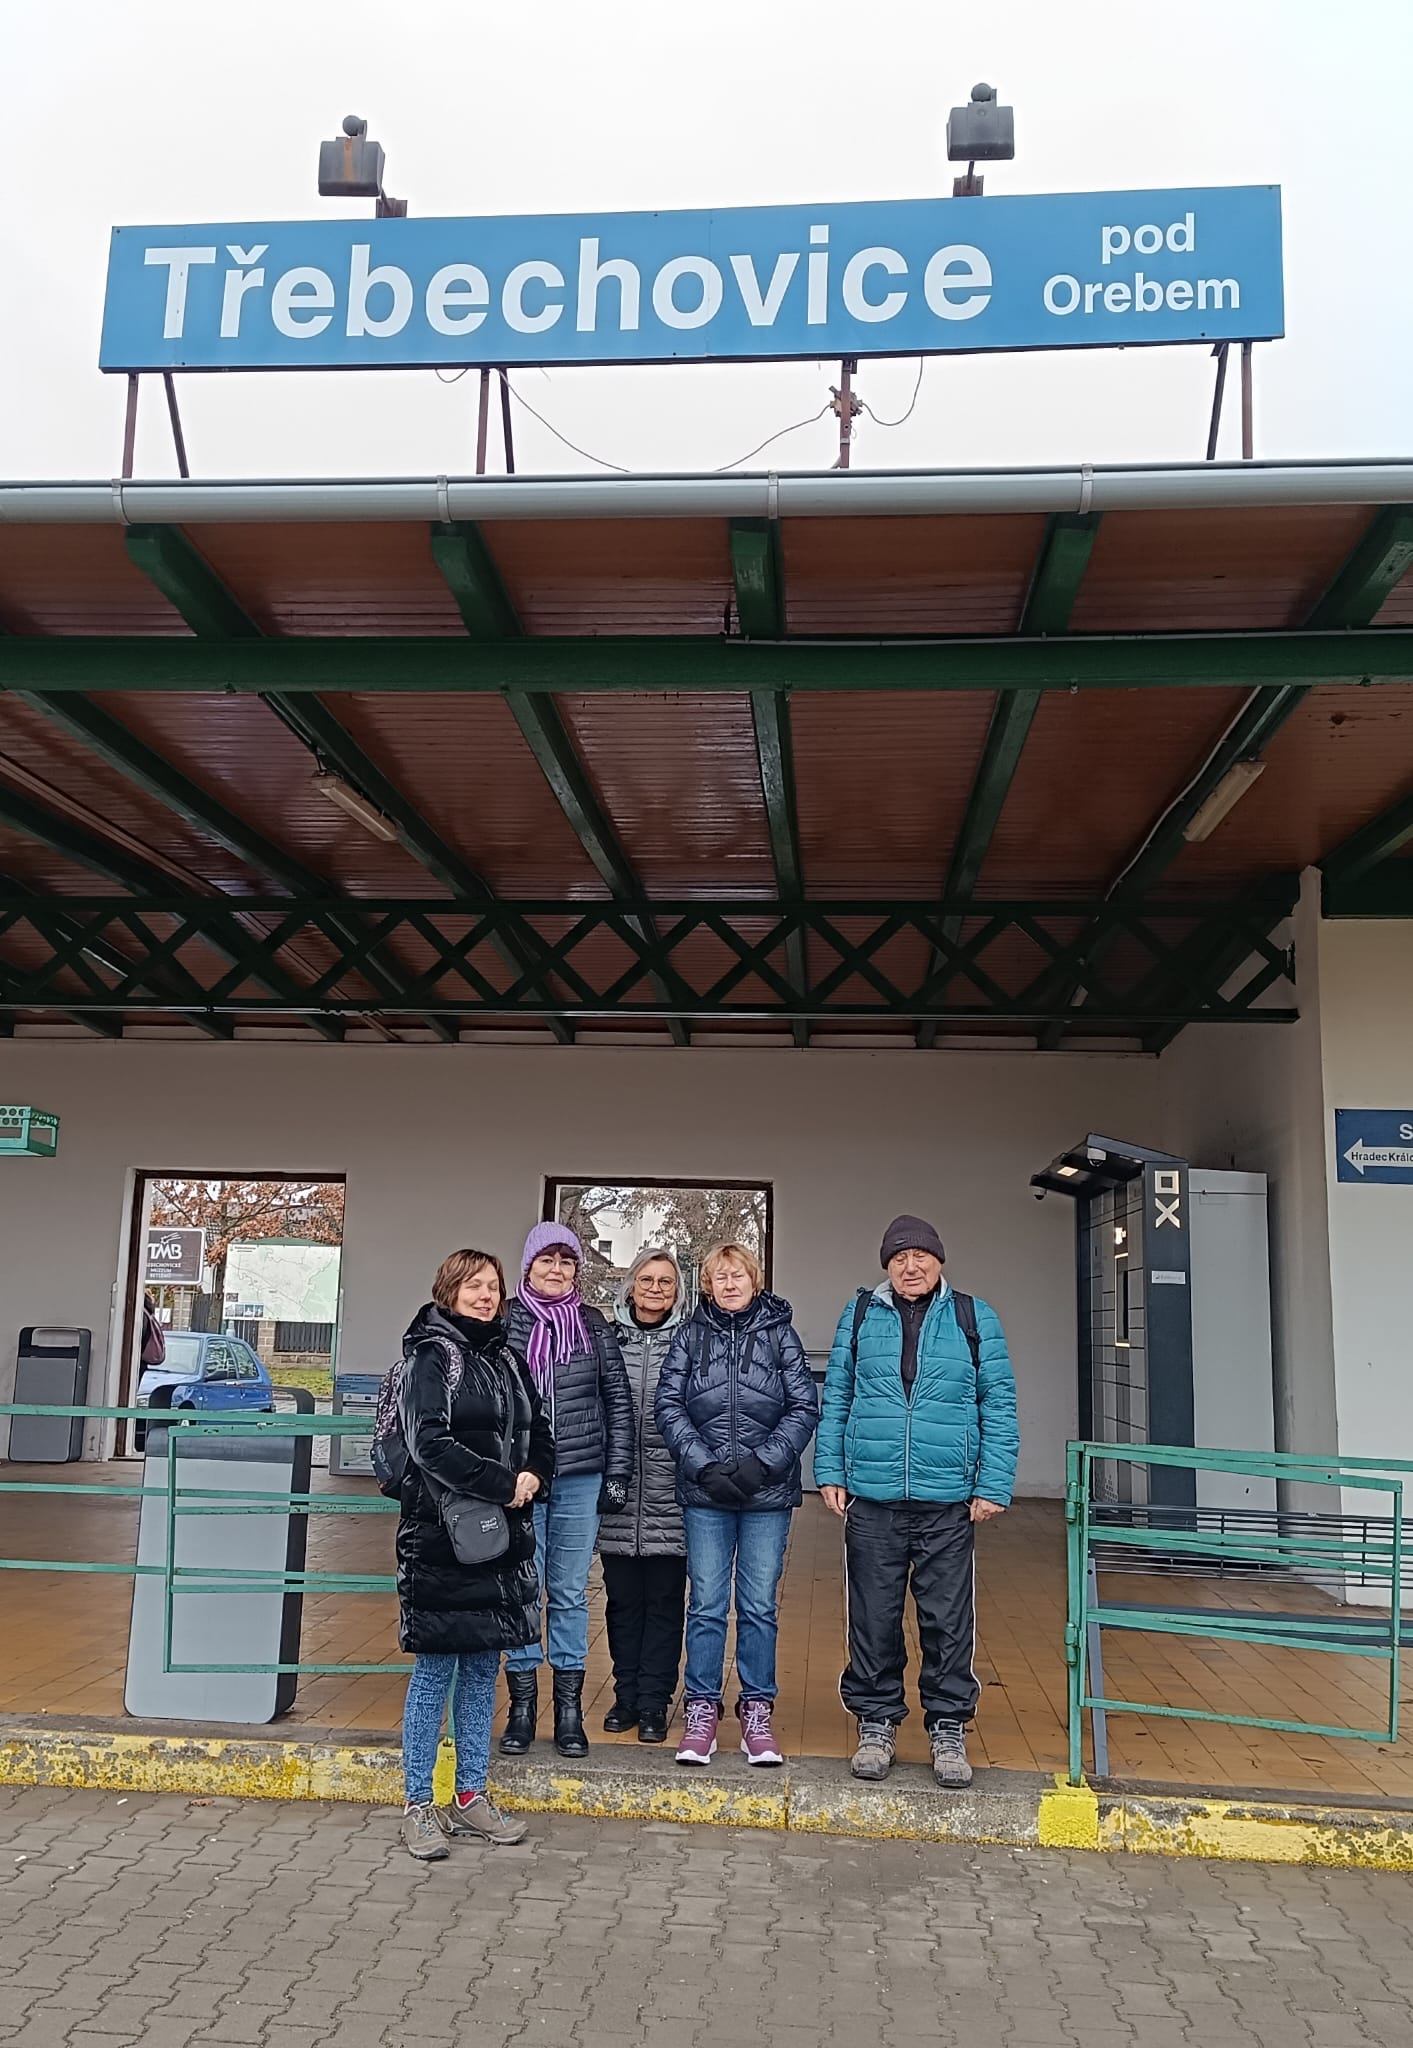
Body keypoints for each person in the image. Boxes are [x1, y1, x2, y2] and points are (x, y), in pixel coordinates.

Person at [815, 1215, 1019, 1791]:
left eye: (920, 1256)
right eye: (899, 1257)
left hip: (947, 1500)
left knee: (948, 1620)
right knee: (872, 1618)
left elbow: (999, 1402)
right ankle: (876, 1722)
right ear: (886, 1264)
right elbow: (837, 1396)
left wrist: (993, 1482)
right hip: (873, 1496)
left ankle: (948, 1725)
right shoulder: (860, 1313)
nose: (911, 1266)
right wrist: (830, 1469)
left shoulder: (974, 1317)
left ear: (939, 1261)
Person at [395, 1247, 555, 1863]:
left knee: (484, 1669)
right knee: (435, 1672)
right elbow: (428, 1444)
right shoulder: (432, 1357)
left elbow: (539, 1430)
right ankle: (417, 1803)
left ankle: (470, 1795)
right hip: (441, 1537)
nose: (486, 1296)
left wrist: (535, 1474)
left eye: (492, 1286)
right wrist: (502, 1483)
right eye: (473, 1286)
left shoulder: (507, 1357)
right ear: (449, 1292)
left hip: (500, 1537)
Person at [655, 1242, 818, 1768]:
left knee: (758, 1606)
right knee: (706, 1603)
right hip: (706, 1494)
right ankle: (701, 1710)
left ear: (755, 1280)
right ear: (707, 1285)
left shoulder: (780, 1335)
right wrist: (703, 1466)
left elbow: (803, 1406)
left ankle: (756, 1711)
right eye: (719, 1277)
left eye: (738, 1275)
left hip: (765, 1495)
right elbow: (668, 1404)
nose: (729, 1284)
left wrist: (762, 1466)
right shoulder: (690, 1336)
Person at [500, 1222, 634, 1759]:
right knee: (522, 1588)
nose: (557, 1270)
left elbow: (617, 1401)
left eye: (567, 1261)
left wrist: (618, 1473)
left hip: (581, 1475)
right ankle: (522, 1707)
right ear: (529, 1265)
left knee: (570, 1592)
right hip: (521, 1480)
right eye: (547, 1260)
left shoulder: (592, 1324)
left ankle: (569, 1712)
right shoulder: (505, 1321)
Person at [599, 1246, 689, 1745]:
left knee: (665, 1602)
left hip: (670, 1492)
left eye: (665, 1282)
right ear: (631, 1285)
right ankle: (626, 1695)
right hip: (617, 1489)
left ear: (678, 1292)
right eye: (647, 1280)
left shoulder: (690, 1341)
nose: (655, 1289)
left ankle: (654, 1700)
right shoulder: (605, 1338)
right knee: (622, 1601)